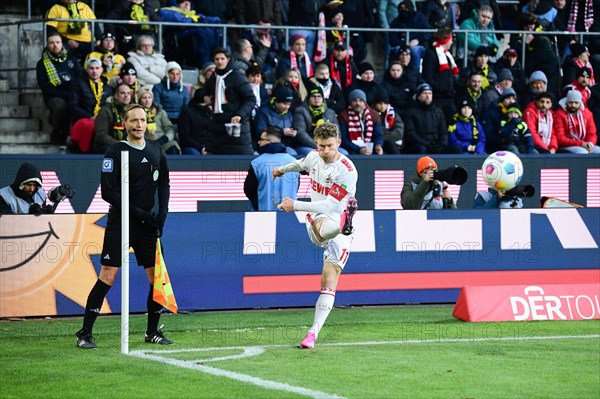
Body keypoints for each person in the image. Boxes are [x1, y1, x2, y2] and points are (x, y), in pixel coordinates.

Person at [76, 104, 171, 349]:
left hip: (148, 225)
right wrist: (138, 213)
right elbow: (108, 192)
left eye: (142, 120)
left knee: (155, 278)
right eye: (133, 121)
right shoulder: (115, 152)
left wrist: (162, 213)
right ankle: (84, 333)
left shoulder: (155, 149)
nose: (139, 125)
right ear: (124, 124)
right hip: (121, 222)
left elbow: (164, 184)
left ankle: (152, 332)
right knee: (108, 275)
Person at [273, 122, 358, 349]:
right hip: (319, 219)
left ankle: (312, 333)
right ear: (316, 144)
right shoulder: (313, 158)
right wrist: (281, 170)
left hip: (332, 215)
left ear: (339, 143)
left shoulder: (347, 171)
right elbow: (300, 163)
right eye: (321, 146)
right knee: (322, 226)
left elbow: (330, 204)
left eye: (330, 146)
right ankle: (341, 226)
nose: (326, 151)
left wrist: (296, 205)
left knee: (329, 280)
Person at [204, 47, 256, 155]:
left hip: (236, 128)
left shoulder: (237, 76)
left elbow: (250, 99)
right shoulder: (214, 77)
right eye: (217, 59)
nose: (219, 62)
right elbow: (204, 91)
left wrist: (240, 114)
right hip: (218, 128)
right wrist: (204, 96)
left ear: (228, 59)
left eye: (222, 59)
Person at [36, 31, 82, 145]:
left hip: (73, 94)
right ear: (47, 45)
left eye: (58, 42)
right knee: (61, 105)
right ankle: (58, 132)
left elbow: (80, 78)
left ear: (62, 44)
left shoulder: (72, 59)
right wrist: (67, 96)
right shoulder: (42, 64)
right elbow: (45, 87)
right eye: (51, 43)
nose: (55, 45)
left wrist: (74, 94)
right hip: (54, 96)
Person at [244, 127, 299, 211]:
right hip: (290, 214)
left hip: (263, 215)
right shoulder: (294, 162)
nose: (258, 142)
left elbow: (249, 189)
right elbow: (296, 187)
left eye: (261, 139)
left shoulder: (256, 163)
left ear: (270, 142)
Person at [402, 83, 461, 154]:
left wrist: (441, 145)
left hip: (436, 144)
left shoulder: (438, 112)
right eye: (425, 93)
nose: (428, 96)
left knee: (456, 149)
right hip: (419, 145)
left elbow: (443, 132)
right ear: (418, 96)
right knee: (421, 149)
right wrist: (428, 145)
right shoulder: (410, 112)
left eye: (430, 93)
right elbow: (410, 135)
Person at [422, 27, 459, 123]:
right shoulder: (431, 54)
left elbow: (450, 75)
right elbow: (427, 77)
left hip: (449, 97)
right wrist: (440, 88)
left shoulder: (447, 55)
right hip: (437, 99)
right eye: (450, 40)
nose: (451, 43)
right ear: (446, 40)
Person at [293, 84, 338, 154]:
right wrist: (318, 145)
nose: (316, 98)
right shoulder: (301, 111)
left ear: (323, 99)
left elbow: (337, 132)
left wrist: (329, 145)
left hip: (328, 145)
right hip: (306, 146)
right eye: (313, 96)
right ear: (308, 99)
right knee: (313, 153)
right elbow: (301, 133)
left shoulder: (330, 112)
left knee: (343, 152)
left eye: (319, 96)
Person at [338, 89, 384, 155]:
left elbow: (378, 135)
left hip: (370, 149)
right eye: (354, 101)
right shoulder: (343, 116)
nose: (358, 103)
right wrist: (359, 149)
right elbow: (344, 139)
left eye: (361, 100)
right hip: (351, 149)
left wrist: (378, 146)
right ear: (350, 103)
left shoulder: (374, 115)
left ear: (365, 102)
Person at [139, 86, 181, 154]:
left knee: (173, 145)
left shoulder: (160, 112)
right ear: (139, 100)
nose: (147, 100)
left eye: (149, 98)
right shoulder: (136, 113)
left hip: (161, 143)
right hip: (144, 144)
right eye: (144, 98)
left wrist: (164, 139)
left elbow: (170, 129)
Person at [93, 83, 133, 154]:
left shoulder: (134, 111)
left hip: (128, 146)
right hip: (108, 146)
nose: (126, 96)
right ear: (116, 96)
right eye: (122, 93)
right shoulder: (105, 110)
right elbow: (101, 135)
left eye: (128, 93)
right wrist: (120, 145)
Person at [371, 90, 404, 154]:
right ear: (375, 104)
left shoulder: (393, 114)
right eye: (380, 103)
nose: (382, 106)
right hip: (376, 143)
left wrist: (385, 136)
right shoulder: (370, 115)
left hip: (393, 142)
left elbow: (399, 132)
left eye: (385, 103)